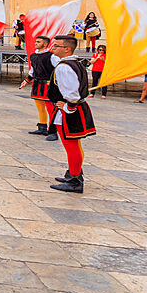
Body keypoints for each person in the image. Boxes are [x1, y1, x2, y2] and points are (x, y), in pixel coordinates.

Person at [47, 35, 97, 193]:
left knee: (71, 146)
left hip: (70, 111)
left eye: (56, 46)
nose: (52, 48)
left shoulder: (64, 67)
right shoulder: (74, 63)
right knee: (74, 145)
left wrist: (68, 107)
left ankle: (75, 179)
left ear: (67, 49)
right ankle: (73, 174)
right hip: (75, 109)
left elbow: (72, 94)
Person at [19, 35, 56, 138]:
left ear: (45, 44)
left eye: (38, 42)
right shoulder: (33, 56)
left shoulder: (51, 56)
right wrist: (26, 81)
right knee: (40, 107)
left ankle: (53, 131)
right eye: (36, 41)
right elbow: (33, 70)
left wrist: (54, 81)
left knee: (51, 109)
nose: (35, 43)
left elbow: (59, 69)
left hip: (48, 85)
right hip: (37, 84)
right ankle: (42, 127)